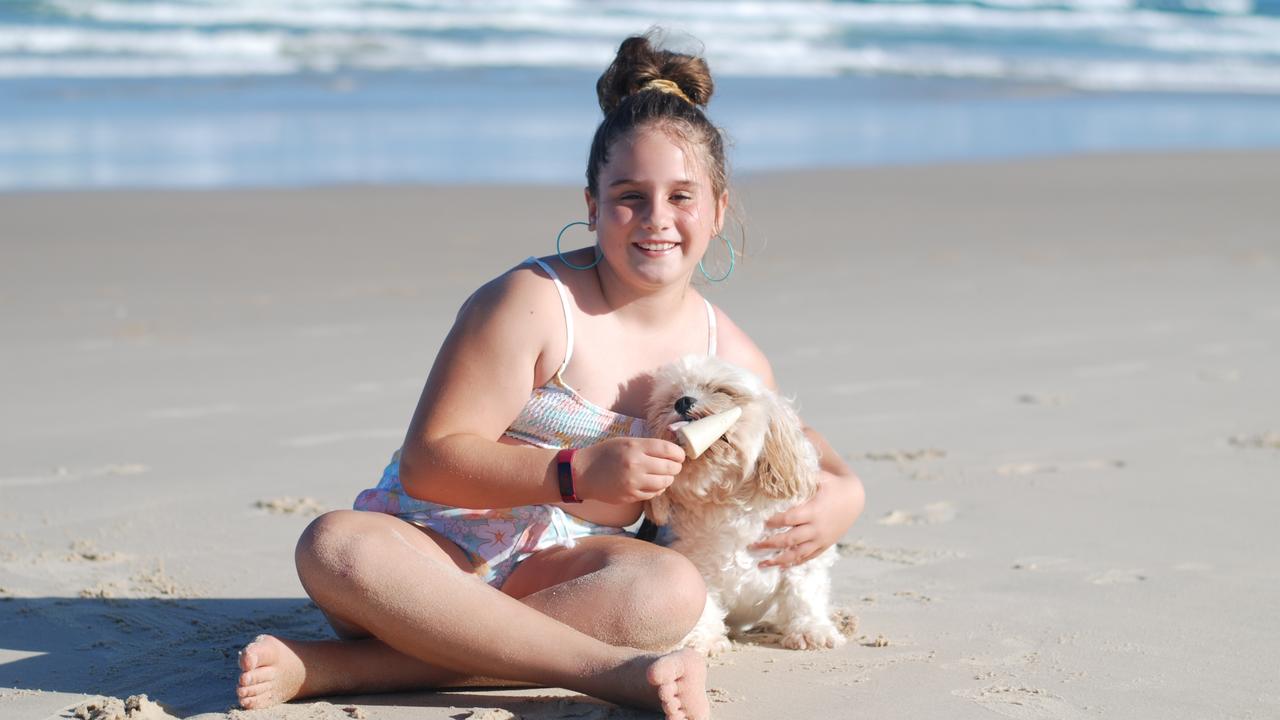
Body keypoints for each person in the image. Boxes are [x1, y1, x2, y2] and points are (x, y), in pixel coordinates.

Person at [235, 31, 865, 720]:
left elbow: (804, 442)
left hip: (567, 576)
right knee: (334, 546)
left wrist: (846, 496)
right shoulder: (533, 304)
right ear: (592, 204)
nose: (657, 220)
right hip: (437, 558)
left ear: (717, 209)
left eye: (682, 197)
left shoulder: (729, 353)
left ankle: (346, 670)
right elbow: (429, 459)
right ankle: (607, 672)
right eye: (630, 196)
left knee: (669, 592)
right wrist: (573, 475)